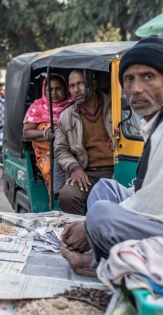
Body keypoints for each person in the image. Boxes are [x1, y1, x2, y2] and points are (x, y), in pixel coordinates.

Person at [60, 36, 163, 277]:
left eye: (148, 77)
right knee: (104, 190)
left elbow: (154, 206)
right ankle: (101, 252)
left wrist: (88, 226)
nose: (136, 88)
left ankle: (99, 263)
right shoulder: (160, 121)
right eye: (129, 79)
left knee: (100, 216)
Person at [53, 69, 114, 215]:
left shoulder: (114, 106)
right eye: (72, 86)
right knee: (67, 196)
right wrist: (75, 168)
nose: (76, 90)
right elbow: (60, 149)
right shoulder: (66, 115)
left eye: (80, 84)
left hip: (115, 169)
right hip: (86, 172)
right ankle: (80, 233)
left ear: (93, 84)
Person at [23, 74, 73, 199]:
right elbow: (26, 134)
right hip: (47, 153)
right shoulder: (38, 107)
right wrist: (46, 134)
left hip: (72, 150)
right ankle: (57, 203)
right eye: (50, 89)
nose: (54, 92)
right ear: (44, 90)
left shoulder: (73, 106)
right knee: (52, 171)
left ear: (66, 89)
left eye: (58, 88)